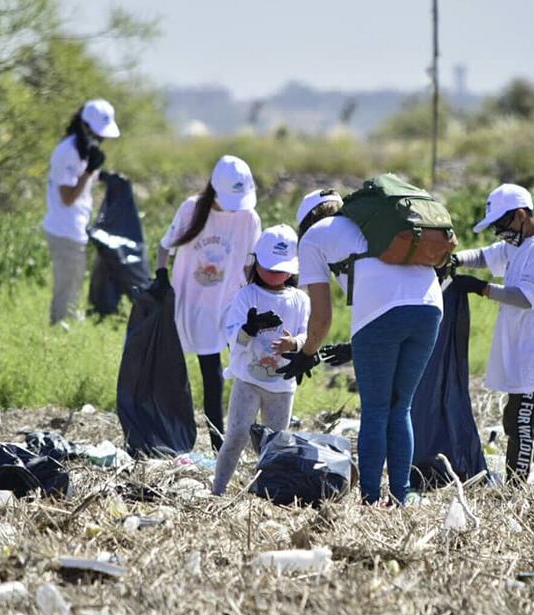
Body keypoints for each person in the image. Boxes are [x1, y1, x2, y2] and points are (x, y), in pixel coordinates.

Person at [283, 188, 443, 506]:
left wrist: (307, 353)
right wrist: (359, 344)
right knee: (401, 407)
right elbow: (392, 286)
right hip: (429, 306)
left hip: (380, 316)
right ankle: (402, 494)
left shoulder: (314, 237)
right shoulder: (374, 220)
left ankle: (370, 499)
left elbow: (322, 317)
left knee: (376, 409)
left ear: (306, 222)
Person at [451, 184, 534, 496]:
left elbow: (523, 297)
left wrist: (480, 289)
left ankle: (515, 489)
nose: (500, 234)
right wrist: (454, 261)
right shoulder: (519, 244)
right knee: (532, 418)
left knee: (518, 420)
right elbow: (486, 256)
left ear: (520, 215)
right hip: (525, 345)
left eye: (502, 226)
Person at [154, 155, 262, 451]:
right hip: (195, 304)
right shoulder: (192, 209)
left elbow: (253, 263)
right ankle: (215, 444)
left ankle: (245, 439)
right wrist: (162, 276)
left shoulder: (248, 218)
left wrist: (260, 298)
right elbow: (164, 247)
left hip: (232, 305)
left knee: (245, 369)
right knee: (208, 375)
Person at [211, 225, 310, 495]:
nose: (276, 273)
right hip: (248, 380)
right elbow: (232, 338)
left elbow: (307, 333)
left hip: (281, 386)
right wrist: (248, 330)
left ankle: (267, 494)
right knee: (237, 434)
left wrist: (295, 344)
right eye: (270, 266)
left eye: (282, 268)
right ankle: (218, 490)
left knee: (275, 443)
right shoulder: (247, 296)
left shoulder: (300, 299)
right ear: (257, 262)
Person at [42, 99, 120, 325]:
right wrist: (89, 172)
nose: (102, 139)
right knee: (66, 292)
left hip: (74, 229)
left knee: (73, 285)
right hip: (65, 229)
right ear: (84, 126)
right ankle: (59, 331)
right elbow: (67, 198)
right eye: (98, 133)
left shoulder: (84, 149)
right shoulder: (68, 152)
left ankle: (66, 325)